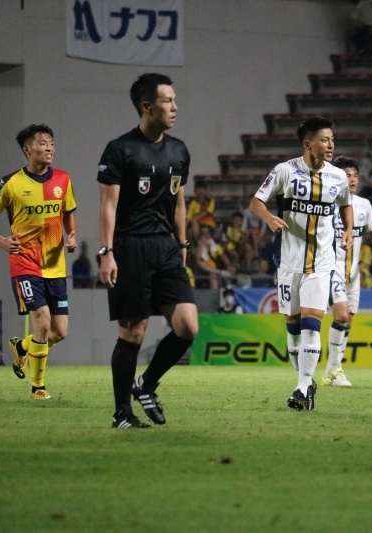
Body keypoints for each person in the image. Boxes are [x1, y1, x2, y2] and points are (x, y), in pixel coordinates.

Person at [97, 73, 198, 429]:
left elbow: (179, 202)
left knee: (187, 326)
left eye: (174, 99)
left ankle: (147, 384)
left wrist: (182, 243)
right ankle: (122, 413)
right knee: (133, 332)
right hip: (129, 246)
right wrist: (106, 252)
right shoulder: (120, 149)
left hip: (166, 247)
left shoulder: (179, 150)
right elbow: (108, 206)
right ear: (147, 107)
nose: (175, 107)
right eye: (167, 100)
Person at [249, 116, 353, 412]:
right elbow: (256, 202)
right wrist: (269, 218)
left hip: (321, 264)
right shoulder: (284, 171)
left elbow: (346, 204)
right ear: (308, 144)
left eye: (332, 140)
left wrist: (347, 229)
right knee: (293, 330)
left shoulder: (337, 177)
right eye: (324, 140)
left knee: (311, 324)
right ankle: (305, 384)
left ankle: (302, 387)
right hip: (288, 262)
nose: (330, 145)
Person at [0, 124, 77, 400]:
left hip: (55, 266)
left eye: (51, 143)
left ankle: (21, 347)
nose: (49, 148)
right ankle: (38, 388)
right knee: (42, 324)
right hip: (25, 264)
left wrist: (71, 235)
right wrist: (1, 241)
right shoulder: (10, 183)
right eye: (43, 143)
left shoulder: (63, 180)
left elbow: (68, 212)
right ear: (27, 150)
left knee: (59, 332)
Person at [325, 156, 372, 388]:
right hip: (331, 270)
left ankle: (332, 370)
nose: (352, 179)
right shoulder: (327, 204)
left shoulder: (364, 205)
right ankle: (334, 370)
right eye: (347, 175)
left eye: (355, 175)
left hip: (353, 274)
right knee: (341, 317)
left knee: (348, 321)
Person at [194, 224, 234, 289]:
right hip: (203, 269)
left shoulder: (213, 244)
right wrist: (201, 245)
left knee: (231, 267)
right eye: (203, 234)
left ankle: (229, 287)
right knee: (212, 275)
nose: (206, 236)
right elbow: (198, 260)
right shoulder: (197, 246)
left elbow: (222, 256)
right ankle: (215, 292)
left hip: (214, 266)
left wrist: (228, 265)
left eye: (207, 234)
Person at [186, 181, 216, 246]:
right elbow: (188, 217)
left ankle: (199, 244)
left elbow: (204, 214)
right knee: (189, 231)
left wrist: (192, 220)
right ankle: (192, 248)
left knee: (194, 222)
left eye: (202, 190)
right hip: (197, 225)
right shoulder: (193, 203)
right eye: (198, 189)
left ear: (205, 191)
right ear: (194, 191)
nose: (200, 192)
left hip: (209, 225)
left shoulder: (210, 201)